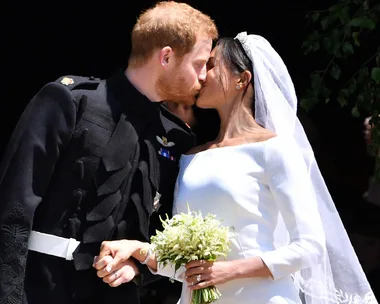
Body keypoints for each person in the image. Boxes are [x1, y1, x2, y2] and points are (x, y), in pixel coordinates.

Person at [94, 32, 377, 303]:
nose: (201, 75)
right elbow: (185, 267)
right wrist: (138, 250)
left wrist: (229, 270)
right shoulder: (191, 157)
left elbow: (310, 247)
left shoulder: (274, 149)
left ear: (242, 79)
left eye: (212, 65)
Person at [0, 1, 218, 304]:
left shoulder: (177, 138)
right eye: (199, 63)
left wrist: (138, 267)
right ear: (166, 56)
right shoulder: (70, 101)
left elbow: (165, 234)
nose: (205, 75)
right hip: (41, 288)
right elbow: (13, 207)